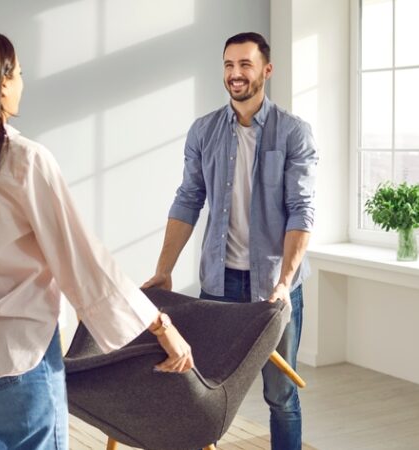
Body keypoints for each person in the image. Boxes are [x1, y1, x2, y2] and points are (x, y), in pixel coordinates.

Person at [0, 31, 194, 450]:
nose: (23, 82)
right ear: (0, 84)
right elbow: (82, 260)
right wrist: (161, 326)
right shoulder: (24, 160)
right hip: (13, 362)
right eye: (19, 74)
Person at [142, 32, 317, 450]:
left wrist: (283, 282)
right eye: (228, 65)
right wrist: (163, 270)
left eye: (245, 65)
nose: (235, 74)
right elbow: (187, 200)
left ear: (266, 71)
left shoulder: (293, 133)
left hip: (273, 290)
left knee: (281, 394)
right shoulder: (204, 131)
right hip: (218, 287)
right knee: (206, 389)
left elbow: (302, 211)